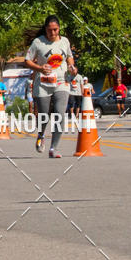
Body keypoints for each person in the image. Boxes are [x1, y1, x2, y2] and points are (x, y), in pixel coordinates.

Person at [25, 15, 77, 157]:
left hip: (61, 82)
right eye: (49, 30)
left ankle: (54, 148)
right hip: (43, 83)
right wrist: (40, 68)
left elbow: (69, 57)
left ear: (59, 28)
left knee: (60, 114)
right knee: (44, 115)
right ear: (45, 29)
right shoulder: (38, 42)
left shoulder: (65, 41)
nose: (53, 33)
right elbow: (27, 61)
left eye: (55, 30)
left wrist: (72, 67)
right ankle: (41, 135)